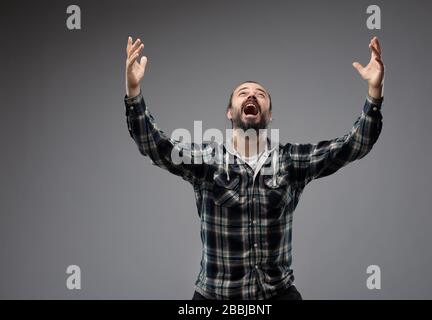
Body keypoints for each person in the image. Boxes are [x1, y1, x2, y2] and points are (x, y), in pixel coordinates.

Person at [123, 36, 385, 300]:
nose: (251, 95)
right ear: (230, 112)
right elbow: (155, 145)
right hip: (217, 297)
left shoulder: (290, 161)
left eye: (260, 94)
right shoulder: (207, 160)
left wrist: (374, 94)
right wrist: (134, 93)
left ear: (269, 114)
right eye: (243, 93)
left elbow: (352, 145)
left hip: (277, 294)